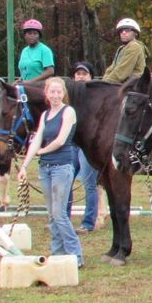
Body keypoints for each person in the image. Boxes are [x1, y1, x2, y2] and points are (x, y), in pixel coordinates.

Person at [17, 77, 82, 267]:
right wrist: (25, 166)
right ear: (46, 93)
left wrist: (42, 151)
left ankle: (75, 254)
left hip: (62, 166)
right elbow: (37, 140)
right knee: (52, 214)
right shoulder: (45, 115)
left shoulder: (68, 112)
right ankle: (58, 252)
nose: (55, 95)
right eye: (52, 92)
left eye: (58, 92)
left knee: (60, 213)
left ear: (63, 93)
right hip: (45, 168)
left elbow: (61, 140)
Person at [69, 61, 99, 233]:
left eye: (84, 74)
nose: (81, 76)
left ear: (91, 77)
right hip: (71, 144)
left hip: (87, 147)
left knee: (89, 184)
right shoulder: (69, 97)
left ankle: (88, 222)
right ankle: (64, 219)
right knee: (67, 182)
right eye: (78, 73)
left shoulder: (96, 97)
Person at [103, 18, 148, 83]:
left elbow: (122, 72)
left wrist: (106, 84)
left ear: (135, 33)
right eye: (121, 31)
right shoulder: (122, 48)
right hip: (122, 83)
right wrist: (103, 81)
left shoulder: (134, 46)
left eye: (127, 30)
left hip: (133, 85)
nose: (123, 33)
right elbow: (111, 68)